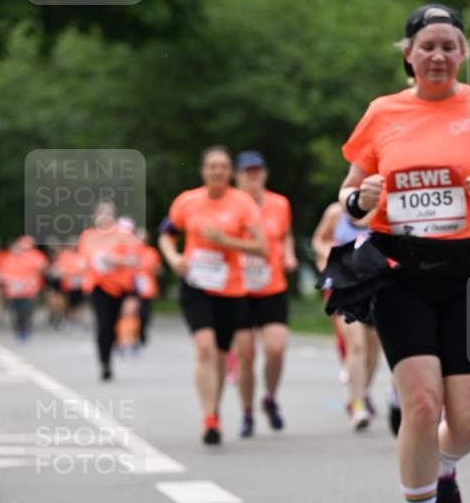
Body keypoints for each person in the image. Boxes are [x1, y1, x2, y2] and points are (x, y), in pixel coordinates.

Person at [339, 3, 470, 503]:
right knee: (420, 402)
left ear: (463, 53)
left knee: (469, 419)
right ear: (408, 54)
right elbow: (348, 193)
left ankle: (444, 464)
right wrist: (360, 200)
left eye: (449, 45)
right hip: (399, 274)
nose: (438, 55)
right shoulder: (382, 113)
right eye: (427, 46)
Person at [158, 146, 267, 445]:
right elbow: (166, 233)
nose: (217, 171)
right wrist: (172, 257)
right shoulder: (187, 201)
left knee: (220, 355)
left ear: (230, 172)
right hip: (196, 283)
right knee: (204, 348)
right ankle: (209, 417)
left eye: (223, 167)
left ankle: (215, 408)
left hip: (231, 287)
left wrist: (226, 241)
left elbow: (262, 247)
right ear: (203, 170)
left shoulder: (243, 204)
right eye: (212, 166)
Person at [233, 151, 297, 437]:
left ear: (265, 174)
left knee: (276, 348)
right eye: (247, 172)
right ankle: (246, 412)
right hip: (238, 288)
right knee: (246, 355)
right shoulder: (230, 205)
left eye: (257, 171)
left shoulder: (280, 204)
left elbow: (285, 234)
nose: (253, 176)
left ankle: (269, 397)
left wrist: (290, 254)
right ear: (238, 176)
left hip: (272, 286)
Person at [312, 202, 380, 430]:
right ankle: (358, 404)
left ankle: (363, 391)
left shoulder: (383, 210)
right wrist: (330, 255)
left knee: (373, 349)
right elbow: (318, 240)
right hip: (343, 286)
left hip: (374, 285)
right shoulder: (336, 211)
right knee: (357, 345)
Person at [79, 202, 142, 380]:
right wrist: (88, 264)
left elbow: (136, 261)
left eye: (109, 213)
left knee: (116, 324)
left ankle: (121, 344)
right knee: (103, 324)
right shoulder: (88, 236)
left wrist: (114, 260)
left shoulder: (124, 236)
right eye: (101, 213)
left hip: (122, 287)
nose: (105, 217)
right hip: (99, 286)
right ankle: (105, 363)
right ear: (95, 216)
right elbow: (84, 260)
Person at [0, 236, 48, 340]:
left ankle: (26, 326)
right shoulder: (8, 259)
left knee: (26, 310)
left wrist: (29, 282)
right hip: (13, 291)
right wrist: (11, 281)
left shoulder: (30, 258)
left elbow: (38, 270)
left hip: (27, 290)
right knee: (16, 311)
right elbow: (2, 274)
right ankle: (18, 327)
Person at [132, 227, 161, 346]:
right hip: (132, 287)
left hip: (148, 288)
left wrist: (156, 270)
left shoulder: (151, 252)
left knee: (145, 314)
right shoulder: (131, 251)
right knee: (133, 312)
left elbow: (158, 269)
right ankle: (132, 334)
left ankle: (142, 332)